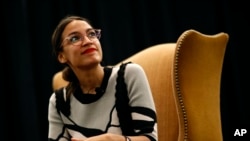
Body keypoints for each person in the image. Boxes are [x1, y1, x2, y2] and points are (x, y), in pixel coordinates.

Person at [48, 15, 158, 141]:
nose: (88, 41)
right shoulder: (58, 102)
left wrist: (109, 139)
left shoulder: (129, 75)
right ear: (62, 56)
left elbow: (150, 139)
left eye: (91, 34)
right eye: (75, 38)